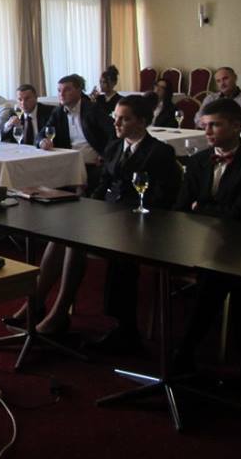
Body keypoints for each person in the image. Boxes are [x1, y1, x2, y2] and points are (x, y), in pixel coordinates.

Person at [10, 97, 181, 342]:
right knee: (60, 235)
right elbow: (102, 185)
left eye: (124, 119)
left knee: (75, 240)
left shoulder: (160, 152)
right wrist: (89, 208)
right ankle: (36, 302)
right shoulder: (114, 147)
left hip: (141, 223)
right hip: (107, 217)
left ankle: (59, 312)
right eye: (116, 118)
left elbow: (163, 198)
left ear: (142, 122)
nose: (116, 123)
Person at [172, 99, 241, 378]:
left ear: (236, 126)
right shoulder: (198, 161)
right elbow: (181, 207)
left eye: (215, 125)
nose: (207, 132)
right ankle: (186, 350)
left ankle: (185, 351)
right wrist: (205, 209)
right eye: (205, 125)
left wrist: (200, 206)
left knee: (217, 275)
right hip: (199, 241)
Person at [40, 74, 115, 191]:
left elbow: (113, 133)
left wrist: (105, 154)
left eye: (67, 90)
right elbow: (41, 134)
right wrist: (42, 142)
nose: (61, 94)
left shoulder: (93, 109)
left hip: (92, 163)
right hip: (68, 163)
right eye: (59, 91)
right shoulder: (58, 112)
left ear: (79, 91)